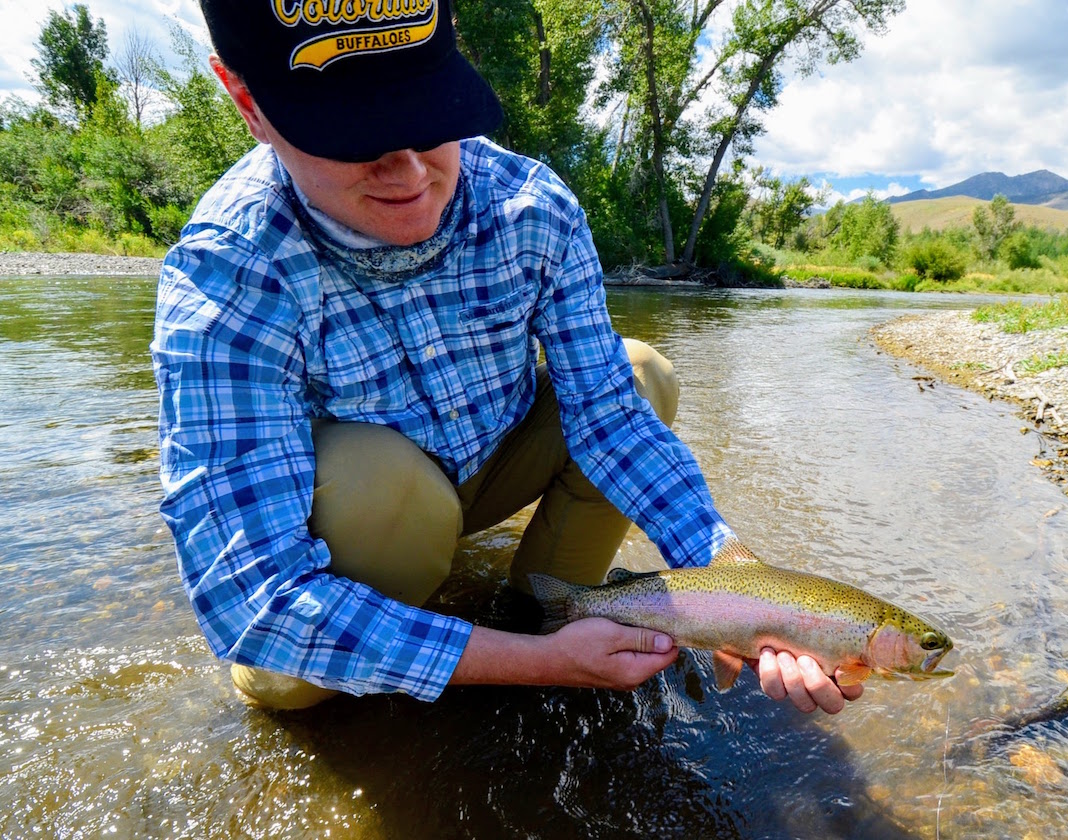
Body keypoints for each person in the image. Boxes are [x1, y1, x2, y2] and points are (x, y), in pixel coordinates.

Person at [152, 0, 863, 716]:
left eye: (426, 111)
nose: (406, 169)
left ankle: (545, 607)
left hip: (490, 458)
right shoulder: (227, 273)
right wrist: (536, 667)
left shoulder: (533, 208)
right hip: (364, 517)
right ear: (246, 103)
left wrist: (740, 586)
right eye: (352, 130)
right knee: (370, 505)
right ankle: (399, 658)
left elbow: (611, 421)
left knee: (640, 376)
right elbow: (252, 600)